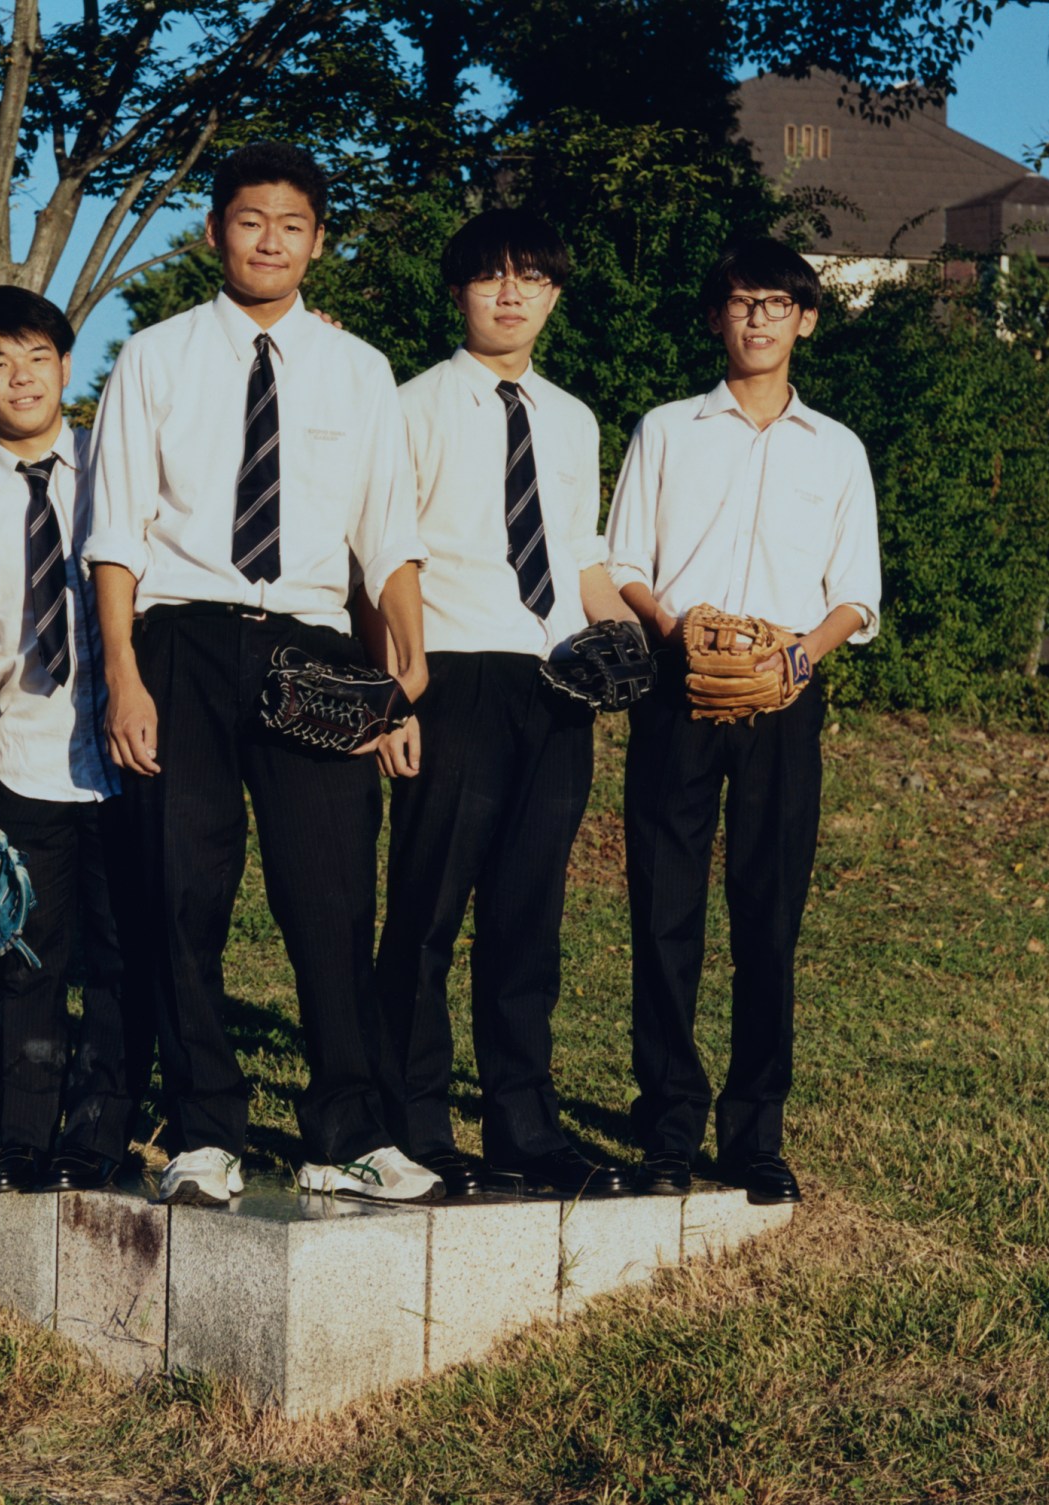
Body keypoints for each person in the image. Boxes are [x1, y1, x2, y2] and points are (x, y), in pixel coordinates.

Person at [86, 141, 441, 1207]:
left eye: (291, 224)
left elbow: (386, 537)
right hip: (180, 643)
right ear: (214, 233)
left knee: (328, 895)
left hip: (314, 649)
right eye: (250, 221)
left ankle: (346, 1131)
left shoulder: (358, 368)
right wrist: (121, 675)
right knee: (181, 890)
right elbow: (112, 531)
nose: (270, 239)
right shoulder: (152, 358)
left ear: (316, 241)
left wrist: (402, 676)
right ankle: (204, 1132)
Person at [604, 236, 882, 1205]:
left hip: (785, 700)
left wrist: (795, 658)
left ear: (804, 318)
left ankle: (754, 1132)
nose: (757, 318)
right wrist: (674, 629)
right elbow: (621, 561)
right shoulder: (666, 429)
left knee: (767, 917)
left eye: (775, 302)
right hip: (677, 689)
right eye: (738, 301)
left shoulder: (838, 446)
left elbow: (854, 591)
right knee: (663, 911)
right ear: (715, 316)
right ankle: (666, 1127)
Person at [372, 209, 635, 1200]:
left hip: (552, 680)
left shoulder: (571, 418)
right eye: (491, 277)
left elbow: (576, 554)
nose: (511, 293)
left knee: (529, 915)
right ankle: (415, 1126)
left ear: (554, 295)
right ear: (460, 291)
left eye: (531, 277)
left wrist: (627, 641)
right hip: (450, 671)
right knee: (427, 910)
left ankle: (524, 1127)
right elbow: (381, 556)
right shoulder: (409, 407)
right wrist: (391, 695)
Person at [0, 286, 151, 1194]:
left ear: (66, 363)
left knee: (122, 954)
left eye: (38, 356)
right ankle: (21, 1136)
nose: (21, 377)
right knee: (26, 955)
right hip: (26, 757)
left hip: (135, 754)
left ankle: (100, 1134)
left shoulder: (118, 467)